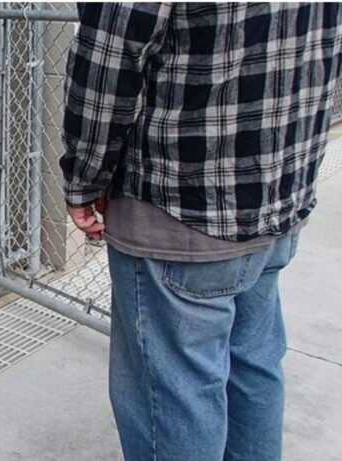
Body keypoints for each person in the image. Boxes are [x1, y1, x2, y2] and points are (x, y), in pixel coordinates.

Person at [60, 3, 341, 460]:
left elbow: (109, 60)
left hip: (181, 210)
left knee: (176, 393)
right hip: (277, 200)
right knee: (252, 366)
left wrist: (84, 179)